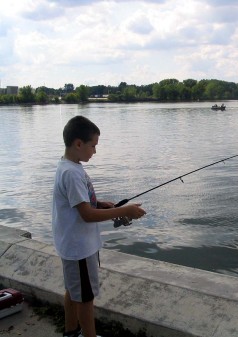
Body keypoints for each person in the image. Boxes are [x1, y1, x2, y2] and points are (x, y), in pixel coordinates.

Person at [52, 115, 146, 337]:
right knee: (85, 298)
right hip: (80, 249)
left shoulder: (69, 166)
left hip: (73, 246)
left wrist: (102, 204)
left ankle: (71, 331)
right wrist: (125, 210)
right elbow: (86, 215)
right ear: (78, 144)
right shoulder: (72, 173)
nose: (95, 151)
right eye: (93, 146)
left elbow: (82, 204)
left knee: (73, 290)